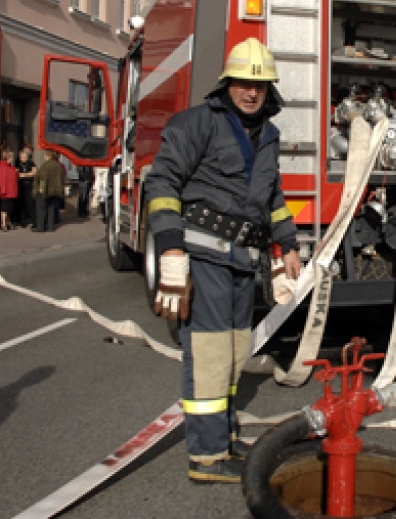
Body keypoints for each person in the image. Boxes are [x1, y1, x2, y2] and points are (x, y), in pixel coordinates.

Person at [144, 38, 302, 484]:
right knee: (211, 356)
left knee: (234, 354)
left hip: (242, 261)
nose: (251, 92)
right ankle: (207, 455)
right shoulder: (197, 124)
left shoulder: (268, 135)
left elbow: (272, 197)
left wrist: (286, 244)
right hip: (205, 258)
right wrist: (171, 249)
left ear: (269, 89)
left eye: (260, 84)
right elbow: (161, 185)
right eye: (244, 83)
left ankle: (224, 435)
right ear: (227, 83)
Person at [32, 150, 65, 232]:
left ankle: (40, 227)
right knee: (51, 209)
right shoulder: (58, 166)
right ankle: (50, 227)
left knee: (41, 208)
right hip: (54, 191)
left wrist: (41, 188)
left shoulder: (46, 165)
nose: (44, 157)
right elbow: (62, 178)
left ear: (48, 156)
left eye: (45, 155)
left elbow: (42, 177)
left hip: (45, 190)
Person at [0, 150, 20, 231]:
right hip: (6, 191)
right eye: (11, 157)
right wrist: (3, 190)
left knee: (9, 208)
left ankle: (8, 222)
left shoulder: (10, 167)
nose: (12, 159)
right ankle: (3, 224)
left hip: (11, 191)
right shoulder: (2, 166)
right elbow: (2, 179)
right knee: (4, 209)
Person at [16, 146, 37, 227]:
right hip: (21, 185)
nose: (22, 158)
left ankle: (33, 220)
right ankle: (22, 221)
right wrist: (23, 175)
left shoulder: (31, 163)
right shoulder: (18, 163)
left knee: (30, 203)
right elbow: (16, 173)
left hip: (29, 184)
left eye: (24, 157)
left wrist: (25, 175)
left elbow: (34, 172)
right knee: (22, 203)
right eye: (21, 157)